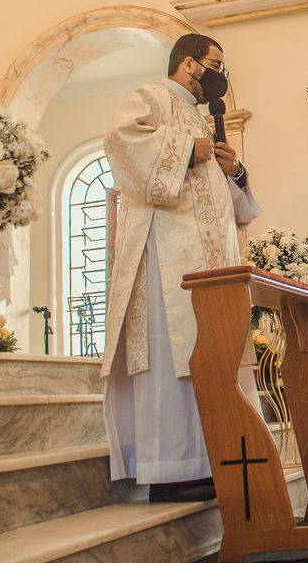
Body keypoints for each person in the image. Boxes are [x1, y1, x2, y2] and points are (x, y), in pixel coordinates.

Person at [102, 34, 262, 503]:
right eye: (215, 64)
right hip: (167, 255)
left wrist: (235, 173)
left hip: (213, 261)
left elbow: (230, 206)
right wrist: (186, 150)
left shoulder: (203, 116)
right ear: (189, 63)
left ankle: (212, 461)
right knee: (175, 352)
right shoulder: (150, 96)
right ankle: (172, 467)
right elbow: (120, 141)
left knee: (212, 352)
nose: (221, 75)